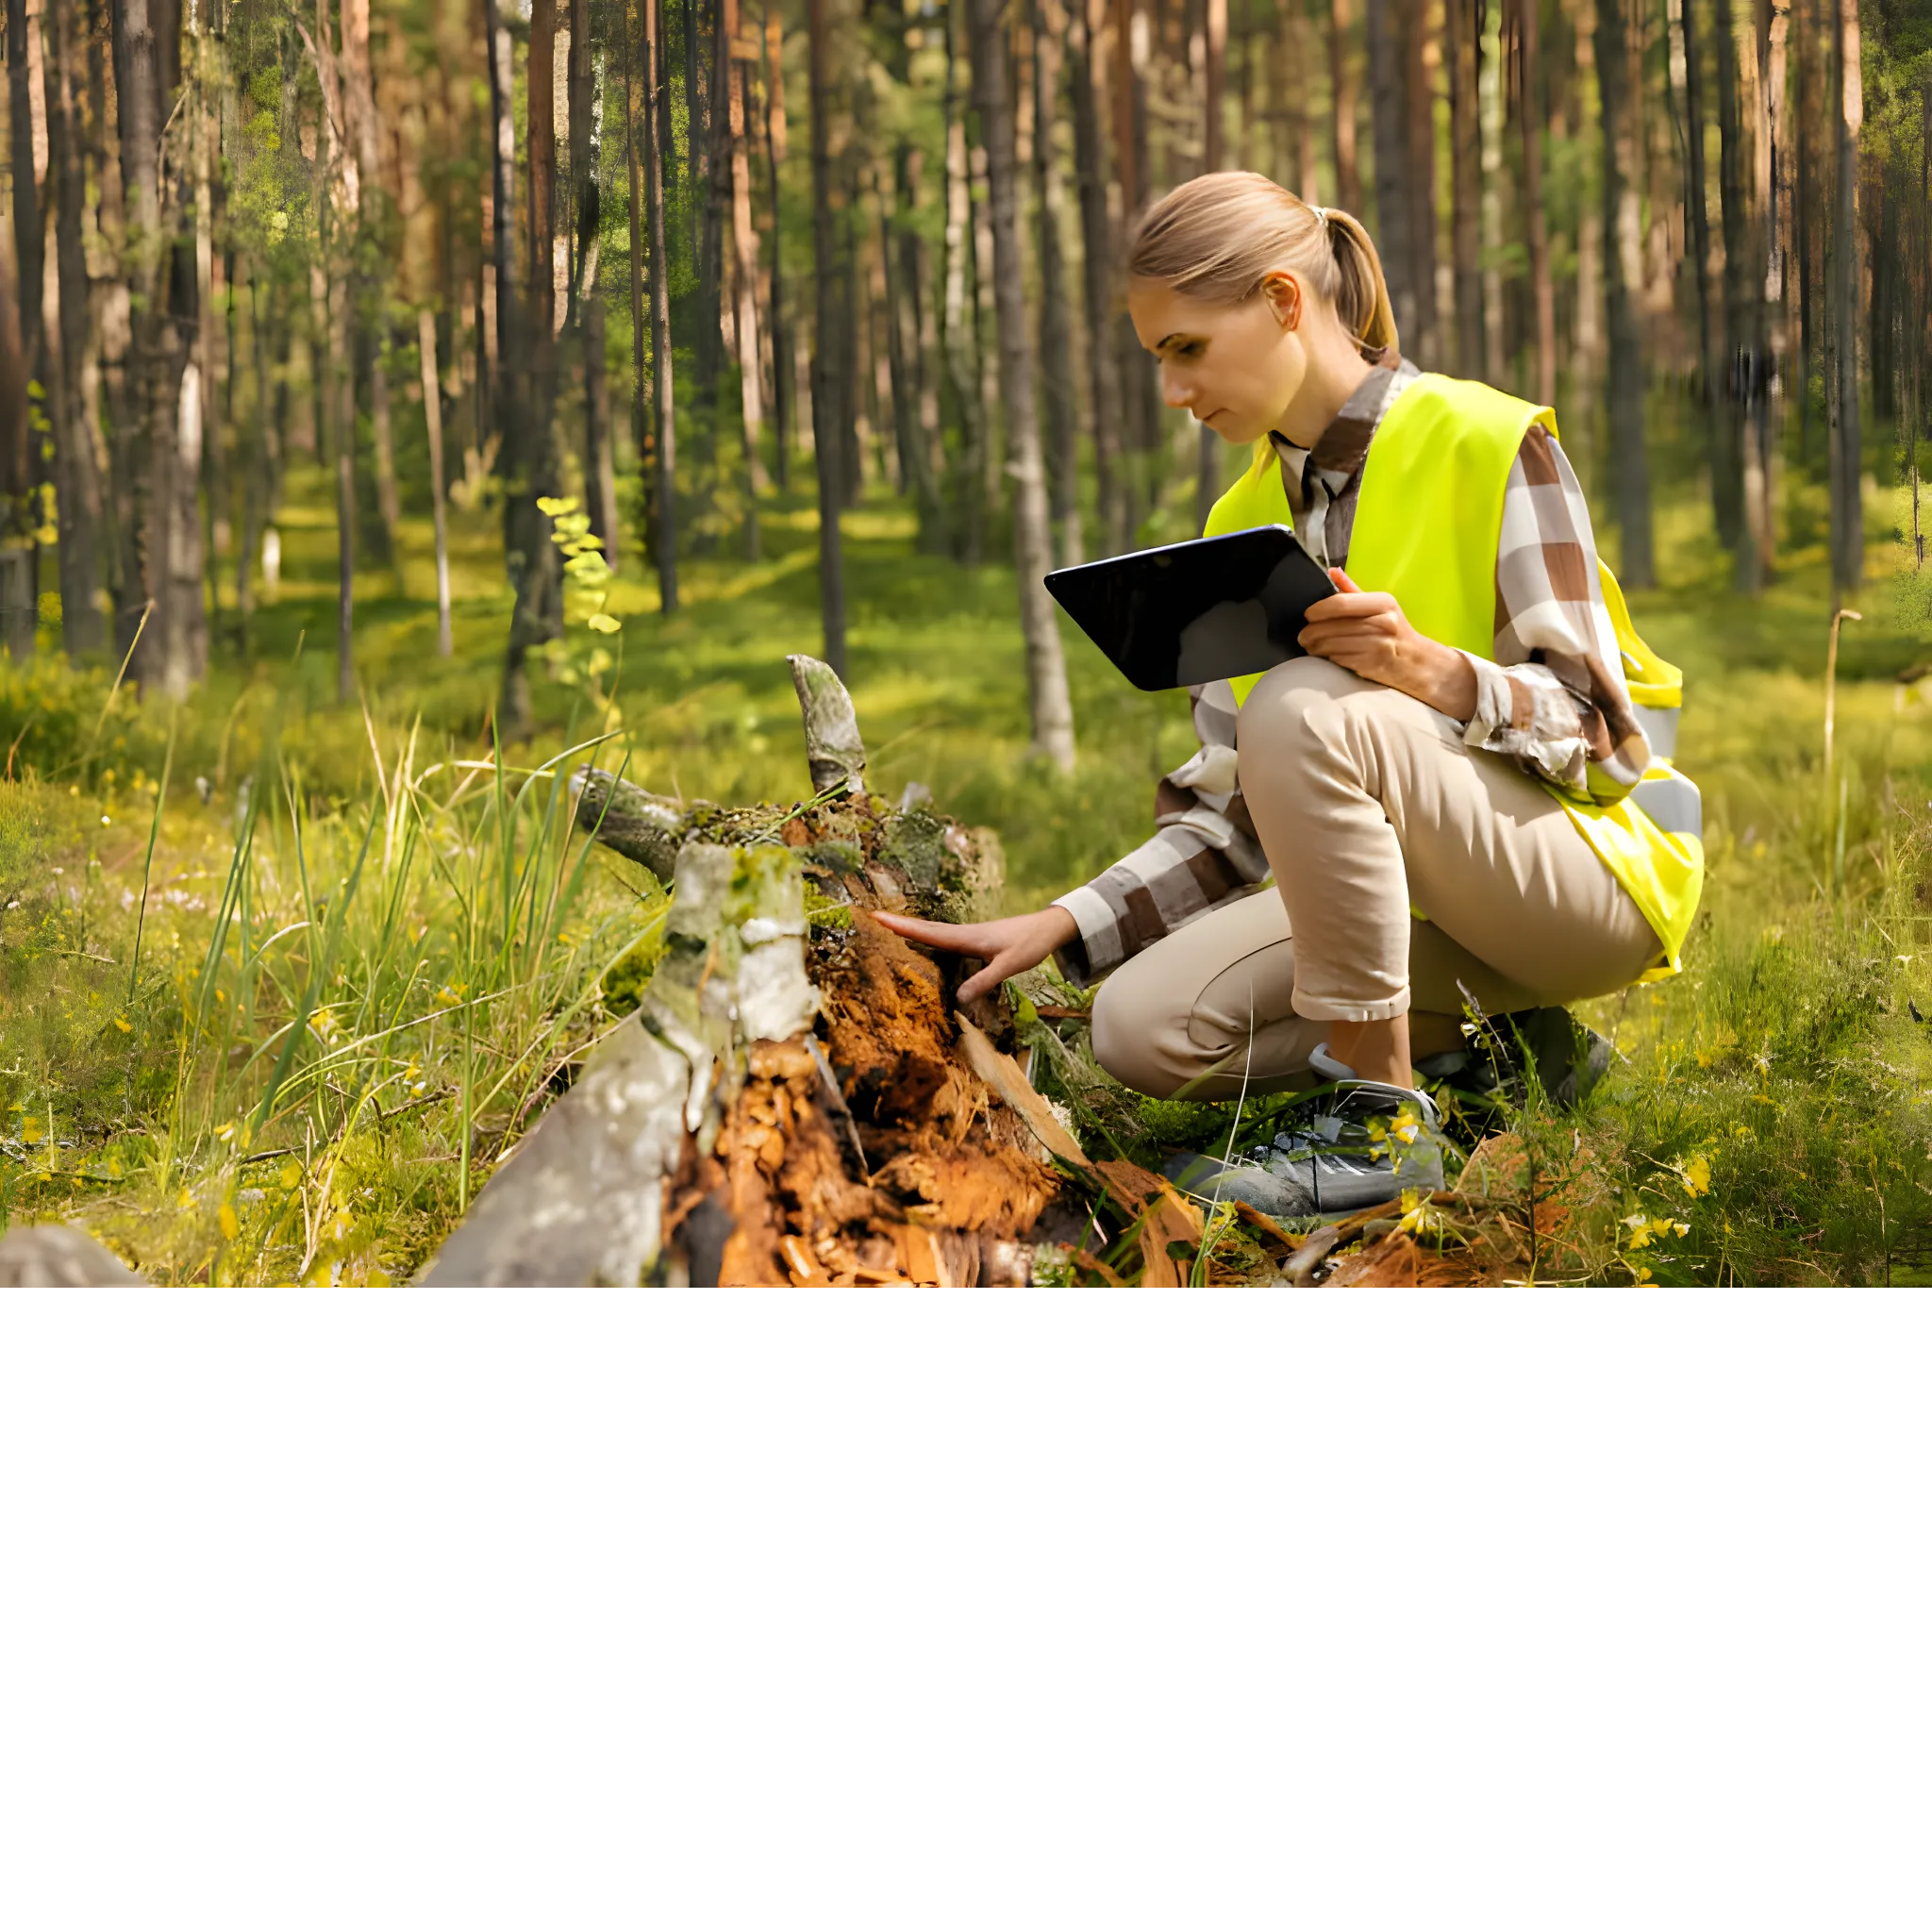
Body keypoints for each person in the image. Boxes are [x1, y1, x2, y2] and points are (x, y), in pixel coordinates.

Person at [878, 173, 1701, 1214]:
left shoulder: (1485, 439)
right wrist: (1060, 924)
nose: (1173, 391)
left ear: (1280, 301)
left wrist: (1429, 671)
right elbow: (1232, 816)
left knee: (1300, 703)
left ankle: (1379, 1122)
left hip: (1588, 880)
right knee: (1139, 1027)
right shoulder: (1241, 517)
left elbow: (1607, 741)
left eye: (1185, 348)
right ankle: (1508, 1050)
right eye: (1156, 359)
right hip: (1425, 905)